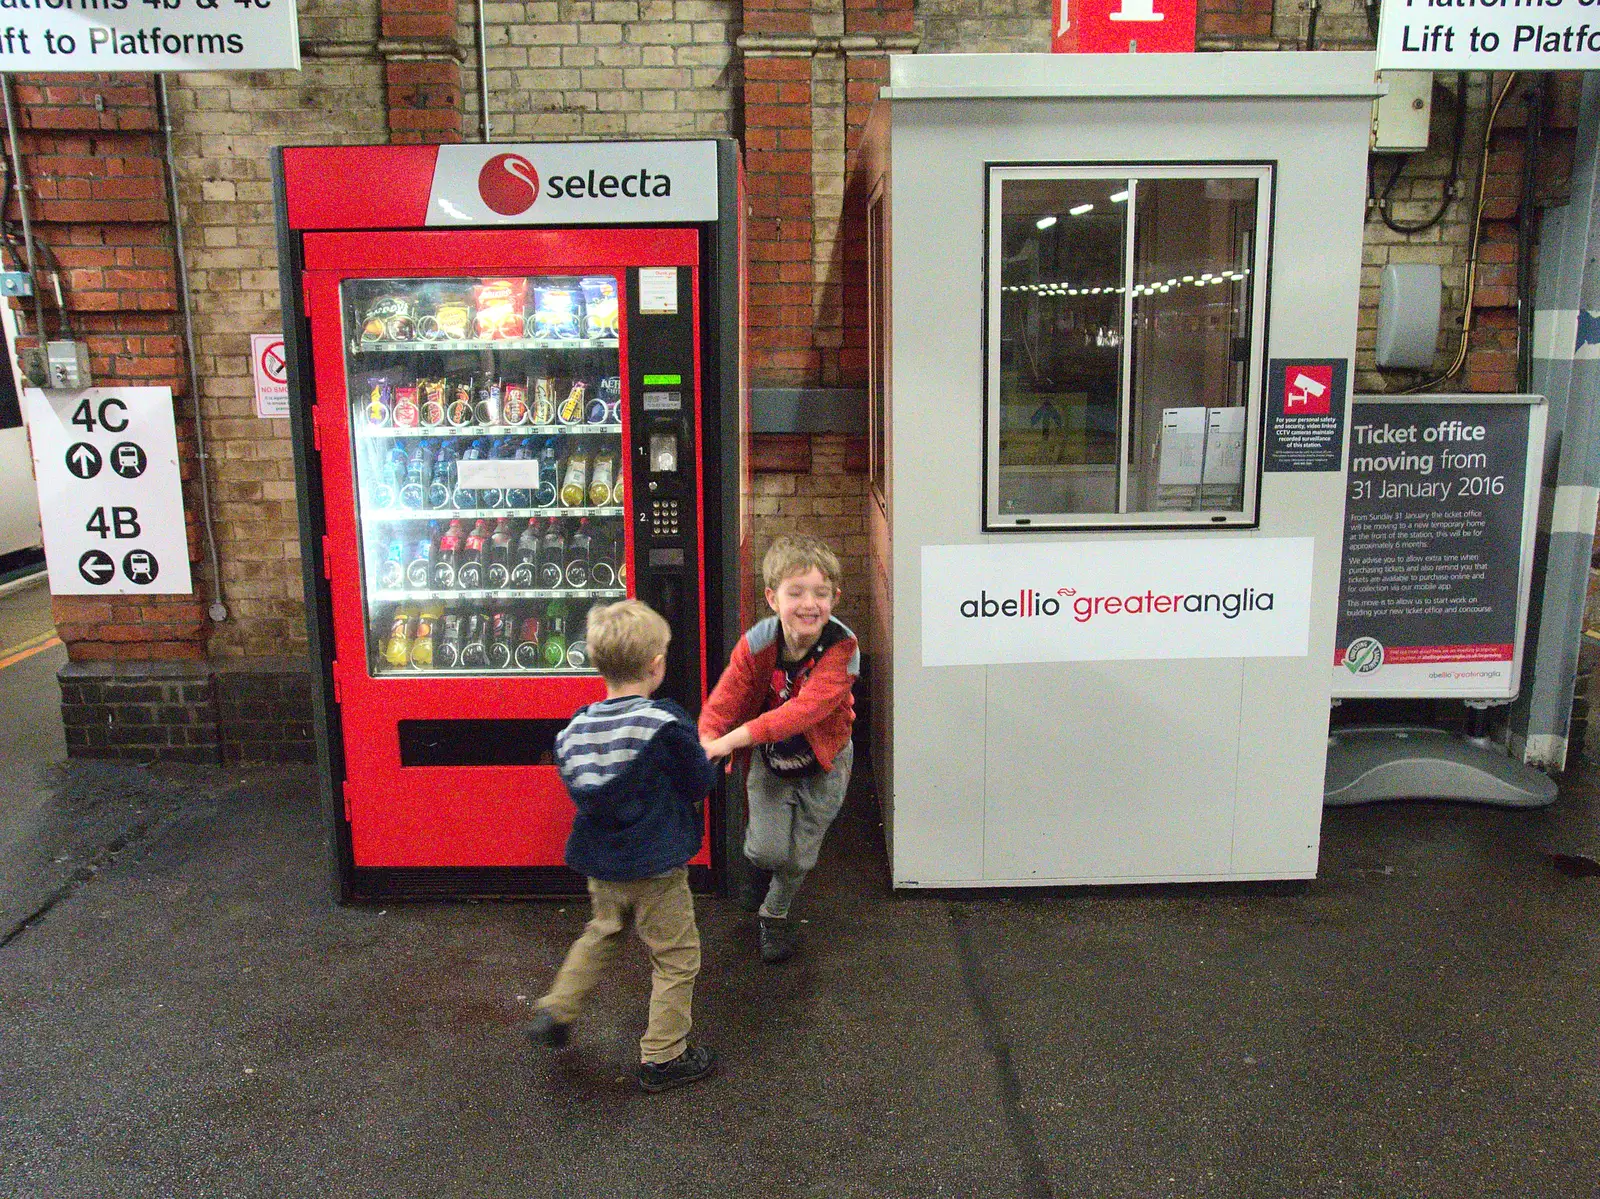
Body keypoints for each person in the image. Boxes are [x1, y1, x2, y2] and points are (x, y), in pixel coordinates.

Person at [526, 599, 719, 1093]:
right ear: (656, 665)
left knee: (604, 931)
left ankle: (557, 1007)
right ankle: (663, 1055)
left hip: (603, 863)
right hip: (656, 866)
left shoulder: (574, 730)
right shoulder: (664, 723)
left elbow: (580, 787)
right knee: (675, 957)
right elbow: (698, 782)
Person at [700, 534, 858, 964]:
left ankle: (775, 914)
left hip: (824, 761)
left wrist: (732, 740)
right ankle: (757, 864)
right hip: (770, 761)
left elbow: (800, 714)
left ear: (834, 598)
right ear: (772, 597)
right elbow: (725, 699)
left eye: (821, 593)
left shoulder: (843, 650)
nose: (810, 603)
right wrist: (707, 738)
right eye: (796, 592)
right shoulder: (756, 645)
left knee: (800, 855)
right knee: (768, 850)